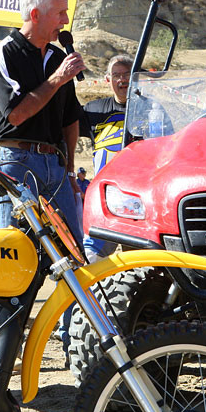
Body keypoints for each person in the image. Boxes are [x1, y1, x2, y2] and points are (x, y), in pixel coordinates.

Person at [0, 0, 84, 359]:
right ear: (36, 14)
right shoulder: (6, 52)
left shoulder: (59, 55)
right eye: (60, 12)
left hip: (55, 165)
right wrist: (58, 77)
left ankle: (76, 346)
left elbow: (71, 117)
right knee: (14, 257)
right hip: (16, 159)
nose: (65, 19)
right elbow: (17, 113)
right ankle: (2, 352)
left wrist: (71, 168)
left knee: (73, 255)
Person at [78, 54, 132, 260]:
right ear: (108, 80)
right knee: (89, 259)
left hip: (139, 200)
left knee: (145, 265)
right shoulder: (93, 109)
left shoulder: (151, 110)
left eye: (127, 74)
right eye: (116, 75)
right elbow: (64, 121)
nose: (122, 80)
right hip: (104, 200)